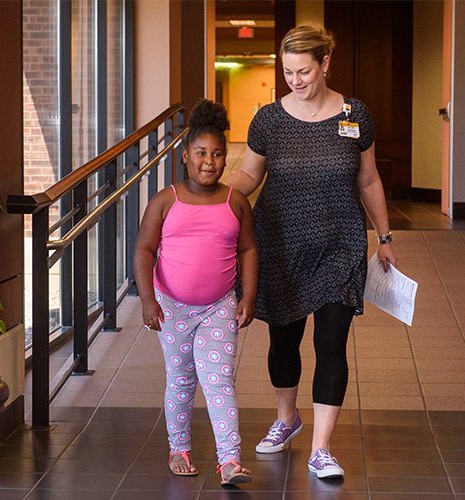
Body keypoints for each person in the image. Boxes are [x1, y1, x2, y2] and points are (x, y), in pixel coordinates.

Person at [227, 24, 397, 479]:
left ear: (325, 63)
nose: (295, 81)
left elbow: (368, 179)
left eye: (304, 71)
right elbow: (248, 177)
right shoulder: (268, 119)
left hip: (340, 243)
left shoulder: (355, 114)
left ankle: (321, 447)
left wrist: (384, 237)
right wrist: (213, 200)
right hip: (279, 244)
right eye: (287, 72)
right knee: (283, 341)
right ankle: (287, 418)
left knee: (331, 343)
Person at [133, 98, 258, 486]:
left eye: (218, 153)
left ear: (226, 158)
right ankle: (179, 448)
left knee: (219, 381)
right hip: (172, 308)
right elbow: (144, 250)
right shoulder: (165, 201)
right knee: (182, 379)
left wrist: (247, 297)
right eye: (201, 153)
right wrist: (148, 300)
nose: (210, 161)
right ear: (185, 156)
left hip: (219, 307)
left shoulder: (234, 201)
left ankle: (230, 461)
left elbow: (249, 250)